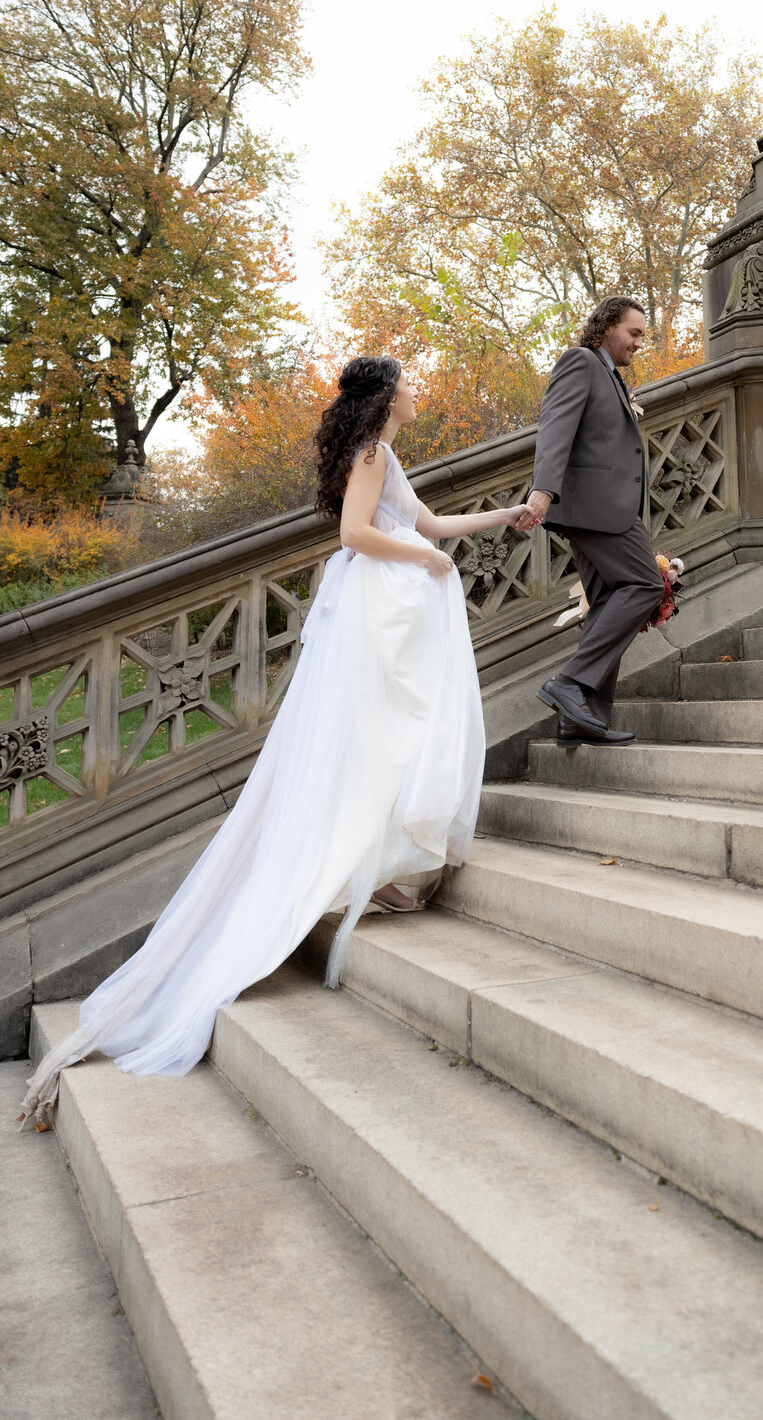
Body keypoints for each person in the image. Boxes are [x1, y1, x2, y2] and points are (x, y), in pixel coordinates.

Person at [19, 357, 527, 1128]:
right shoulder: (371, 454)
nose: (419, 393)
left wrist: (505, 516)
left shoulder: (384, 455)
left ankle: (373, 864)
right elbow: (363, 534)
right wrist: (425, 560)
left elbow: (428, 523)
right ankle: (357, 866)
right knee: (380, 735)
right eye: (411, 384)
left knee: (389, 736)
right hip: (374, 606)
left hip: (381, 601)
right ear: (389, 397)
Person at [522, 296, 664, 747]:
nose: (640, 342)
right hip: (596, 507)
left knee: (606, 601)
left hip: (601, 508)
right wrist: (543, 491)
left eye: (643, 334)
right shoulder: (580, 361)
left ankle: (582, 718)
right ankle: (569, 683)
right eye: (634, 332)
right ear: (606, 328)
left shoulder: (613, 377)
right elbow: (555, 428)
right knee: (645, 584)